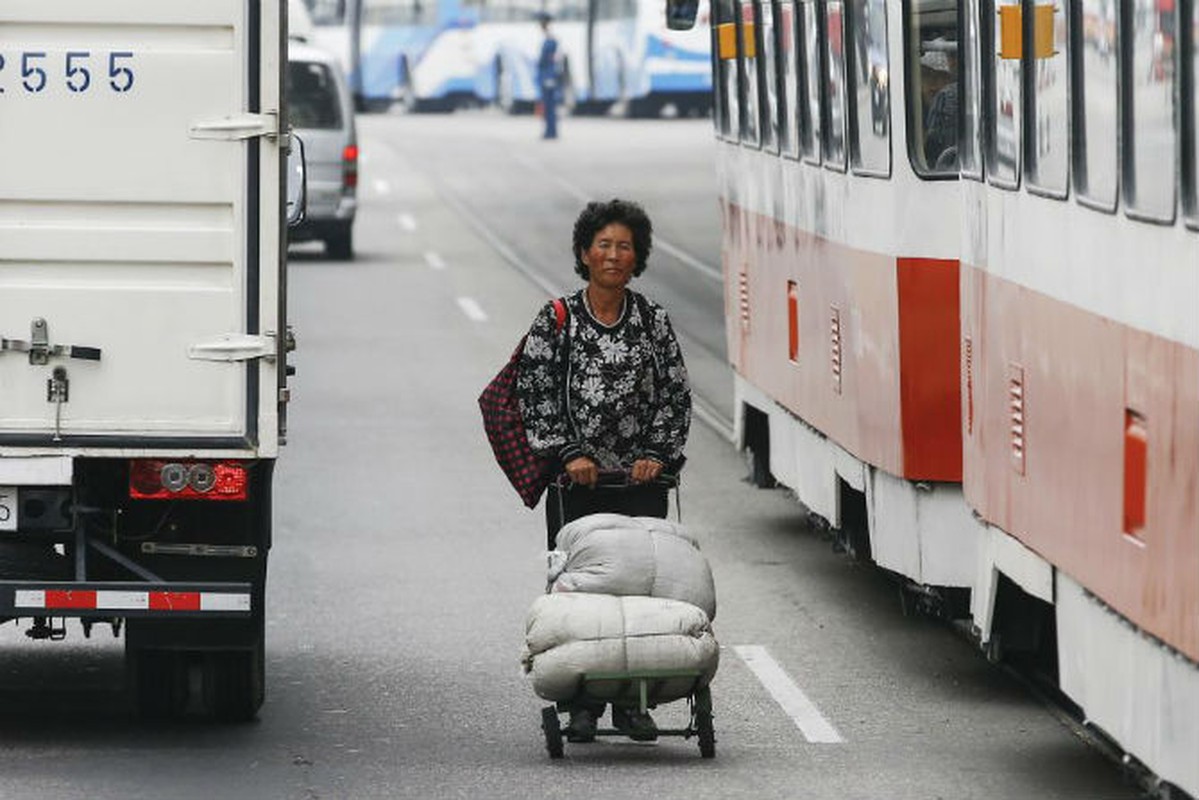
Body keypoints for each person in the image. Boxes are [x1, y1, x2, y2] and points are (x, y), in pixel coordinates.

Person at [515, 198, 692, 743]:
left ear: (637, 258)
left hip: (639, 486)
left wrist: (656, 457)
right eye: (603, 246)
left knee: (639, 598)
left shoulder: (652, 320)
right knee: (583, 599)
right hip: (577, 487)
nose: (614, 256)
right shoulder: (558, 319)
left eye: (625, 247)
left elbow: (675, 395)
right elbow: (535, 393)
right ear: (584, 254)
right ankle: (582, 705)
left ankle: (635, 703)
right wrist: (570, 454)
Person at [536, 14, 561, 139]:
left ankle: (551, 131)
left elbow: (547, 60)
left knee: (549, 105)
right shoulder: (549, 39)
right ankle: (550, 131)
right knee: (548, 105)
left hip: (548, 77)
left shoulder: (550, 40)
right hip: (547, 76)